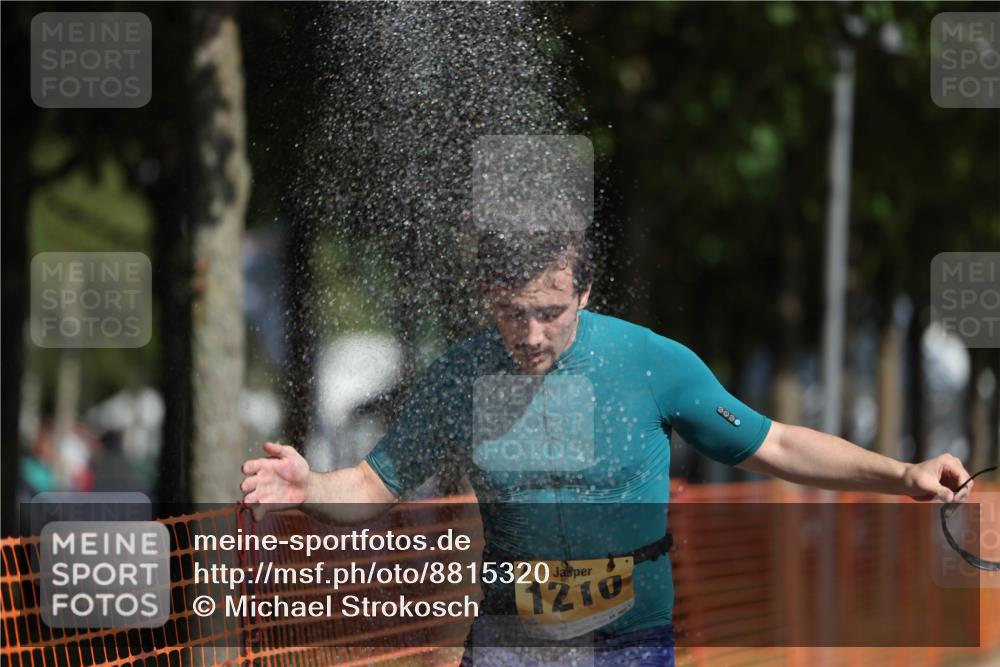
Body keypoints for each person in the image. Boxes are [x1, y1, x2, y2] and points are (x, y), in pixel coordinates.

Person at [240, 230, 974, 666]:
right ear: (487, 296)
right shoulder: (461, 374)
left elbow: (775, 442)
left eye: (550, 313)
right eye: (511, 314)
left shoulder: (650, 361)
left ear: (585, 292)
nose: (530, 334)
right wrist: (309, 486)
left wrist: (901, 472)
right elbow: (370, 487)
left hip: (630, 635)